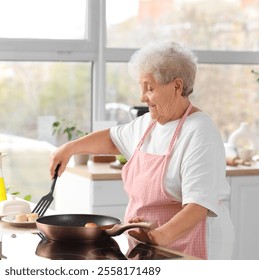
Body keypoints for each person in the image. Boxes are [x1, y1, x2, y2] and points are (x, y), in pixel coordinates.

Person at [49, 41, 234, 260]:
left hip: (191, 242)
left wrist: (156, 238)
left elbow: (197, 207)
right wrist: (70, 148)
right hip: (149, 243)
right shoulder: (148, 124)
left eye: (150, 88)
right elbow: (112, 139)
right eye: (141, 87)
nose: (142, 97)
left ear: (176, 86)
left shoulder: (200, 131)